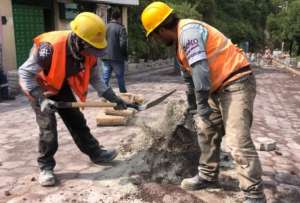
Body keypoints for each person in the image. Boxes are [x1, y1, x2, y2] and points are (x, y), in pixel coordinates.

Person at [141, 2, 266, 203]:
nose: (156, 40)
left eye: (154, 35)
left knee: (236, 140)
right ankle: (208, 175)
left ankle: (254, 194)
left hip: (237, 82)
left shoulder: (189, 33)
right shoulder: (180, 44)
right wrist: (194, 109)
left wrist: (201, 105)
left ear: (161, 29)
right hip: (216, 89)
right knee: (206, 129)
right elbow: (190, 80)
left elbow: (200, 69)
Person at [18, 12, 129, 187]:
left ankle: (96, 153)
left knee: (77, 120)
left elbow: (95, 78)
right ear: (79, 41)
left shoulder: (90, 51)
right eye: (92, 48)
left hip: (58, 85)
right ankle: (46, 167)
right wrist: (41, 99)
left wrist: (113, 98)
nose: (94, 53)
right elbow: (24, 73)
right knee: (48, 129)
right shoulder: (50, 47)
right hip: (37, 87)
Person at [102, 8, 128, 93]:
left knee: (105, 78)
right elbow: (123, 44)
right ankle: (123, 94)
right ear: (119, 17)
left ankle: (104, 95)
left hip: (105, 56)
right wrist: (124, 55)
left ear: (111, 17)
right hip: (117, 57)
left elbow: (101, 40)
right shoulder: (121, 28)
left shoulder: (105, 27)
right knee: (120, 77)